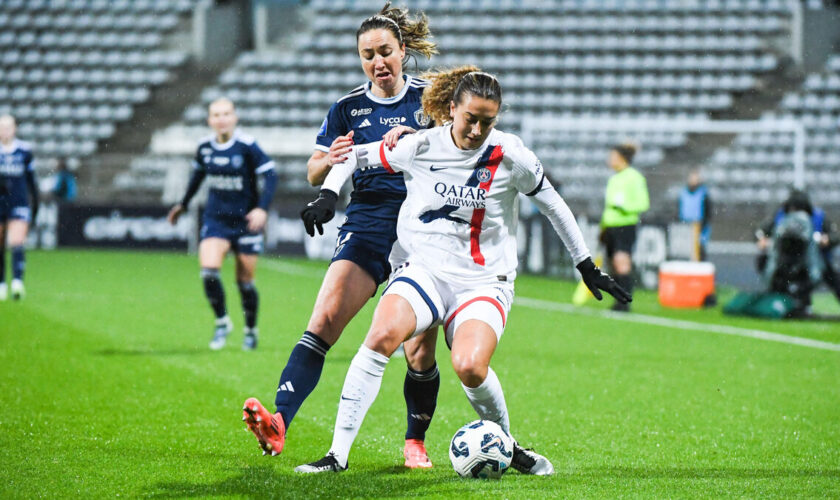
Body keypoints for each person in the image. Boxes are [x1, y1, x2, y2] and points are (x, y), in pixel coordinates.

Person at [295, 67, 630, 474]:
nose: (476, 129)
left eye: (487, 122)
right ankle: (337, 455)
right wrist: (329, 194)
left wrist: (586, 265)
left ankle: (507, 445)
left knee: (470, 365)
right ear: (451, 109)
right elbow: (352, 157)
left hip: (484, 282)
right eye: (470, 118)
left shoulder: (511, 155)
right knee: (381, 335)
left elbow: (553, 204)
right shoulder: (419, 145)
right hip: (425, 272)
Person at [241, 2, 443, 469]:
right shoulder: (348, 107)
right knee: (323, 320)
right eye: (368, 54)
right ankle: (280, 422)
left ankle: (415, 440)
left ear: (403, 50)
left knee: (417, 350)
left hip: (424, 228)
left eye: (386, 52)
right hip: (368, 221)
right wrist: (329, 164)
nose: (378, 62)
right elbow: (316, 170)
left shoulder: (432, 97)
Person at [167, 98, 278, 350]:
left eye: (226, 114)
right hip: (216, 220)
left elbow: (271, 175)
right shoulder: (204, 147)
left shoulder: (247, 146)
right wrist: (183, 204)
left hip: (245, 223)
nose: (221, 119)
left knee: (245, 283)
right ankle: (222, 322)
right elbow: (197, 176)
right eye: (216, 115)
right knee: (208, 271)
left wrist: (262, 208)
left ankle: (250, 330)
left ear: (234, 117)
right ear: (209, 120)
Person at [756, 189, 840, 310]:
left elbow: (835, 236)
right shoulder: (780, 216)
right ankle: (778, 301)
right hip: (786, 260)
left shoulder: (818, 217)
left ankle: (803, 301)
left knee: (832, 276)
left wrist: (826, 240)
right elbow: (760, 232)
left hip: (814, 259)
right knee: (765, 263)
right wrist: (762, 239)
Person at [599, 142, 649, 312]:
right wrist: (603, 227)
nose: (610, 160)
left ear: (621, 158)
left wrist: (624, 206)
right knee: (614, 264)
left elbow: (643, 203)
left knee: (622, 262)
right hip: (611, 226)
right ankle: (617, 301)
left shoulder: (635, 177)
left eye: (613, 156)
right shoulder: (614, 178)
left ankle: (625, 302)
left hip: (625, 226)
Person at [0, 114, 38, 301]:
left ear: (14, 129)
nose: (4, 130)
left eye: (8, 127)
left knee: (16, 242)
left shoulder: (24, 151)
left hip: (19, 203)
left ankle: (17, 282)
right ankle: (1, 284)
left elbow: (32, 182)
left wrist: (35, 207)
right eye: (1, 127)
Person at [677, 168, 711, 261]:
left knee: (699, 253)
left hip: (699, 228)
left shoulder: (703, 193)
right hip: (685, 227)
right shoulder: (683, 192)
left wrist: (702, 226)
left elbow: (707, 213)